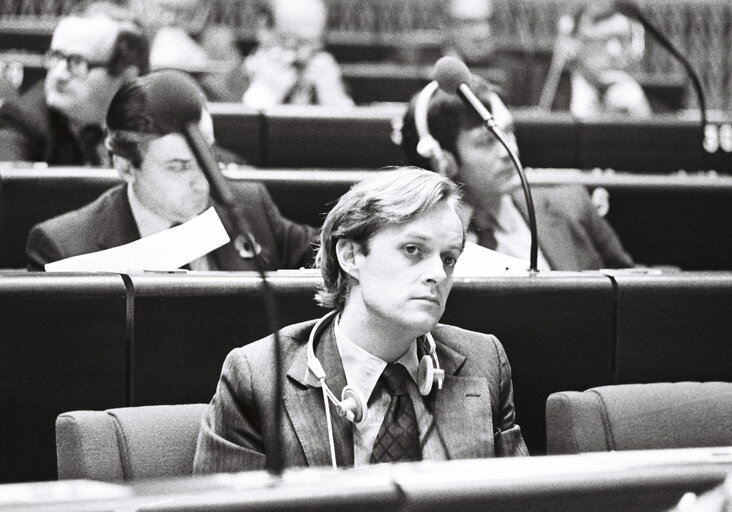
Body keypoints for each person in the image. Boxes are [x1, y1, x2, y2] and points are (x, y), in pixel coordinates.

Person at [193, 168, 528, 473]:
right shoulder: (257, 377)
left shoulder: (483, 363)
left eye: (449, 258)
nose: (437, 274)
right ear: (351, 256)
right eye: (413, 250)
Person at [25, 70, 318, 271]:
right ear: (125, 167)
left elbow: (328, 251)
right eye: (178, 167)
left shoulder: (248, 207)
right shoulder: (64, 247)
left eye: (208, 158)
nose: (202, 181)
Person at [400, 75, 634, 271]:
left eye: (509, 132)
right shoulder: (416, 239)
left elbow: (633, 296)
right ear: (443, 160)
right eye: (486, 142)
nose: (507, 150)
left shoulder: (571, 205)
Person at [0, 2, 149, 165]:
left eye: (77, 62)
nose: (59, 74)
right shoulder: (21, 119)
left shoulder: (150, 126)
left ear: (127, 78)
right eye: (56, 56)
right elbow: (9, 186)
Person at [236, 0, 353, 108]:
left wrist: (336, 104)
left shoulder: (332, 79)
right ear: (265, 30)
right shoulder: (230, 84)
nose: (303, 55)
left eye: (314, 45)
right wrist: (260, 99)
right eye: (292, 43)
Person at [543, 2, 651, 117]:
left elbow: (635, 54)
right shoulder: (578, 15)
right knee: (581, 115)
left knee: (633, 102)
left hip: (618, 80)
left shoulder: (627, 17)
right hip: (586, 80)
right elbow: (565, 48)